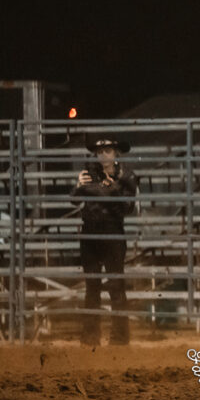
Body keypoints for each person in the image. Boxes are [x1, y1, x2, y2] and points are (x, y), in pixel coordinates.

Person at [72, 135, 139, 346]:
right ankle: (92, 337)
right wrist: (107, 190)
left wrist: (96, 190)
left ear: (115, 153)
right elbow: (75, 197)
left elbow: (128, 206)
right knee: (93, 286)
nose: (103, 155)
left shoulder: (126, 175)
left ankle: (119, 338)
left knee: (115, 286)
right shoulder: (95, 173)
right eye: (100, 152)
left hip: (111, 232)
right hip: (92, 233)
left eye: (107, 151)